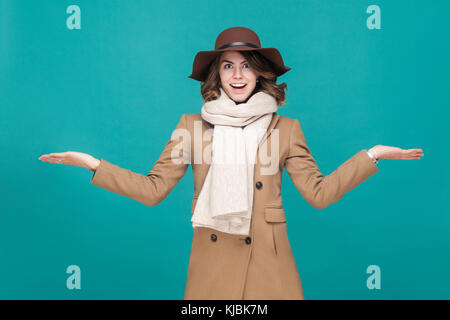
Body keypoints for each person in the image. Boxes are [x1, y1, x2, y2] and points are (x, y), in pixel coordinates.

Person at [38, 26, 424, 299]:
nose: (237, 75)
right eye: (227, 65)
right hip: (212, 264)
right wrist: (92, 164)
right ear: (216, 74)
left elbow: (319, 194)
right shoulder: (192, 127)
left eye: (245, 65)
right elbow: (153, 189)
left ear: (259, 71)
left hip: (269, 267)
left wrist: (372, 154)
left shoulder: (286, 129)